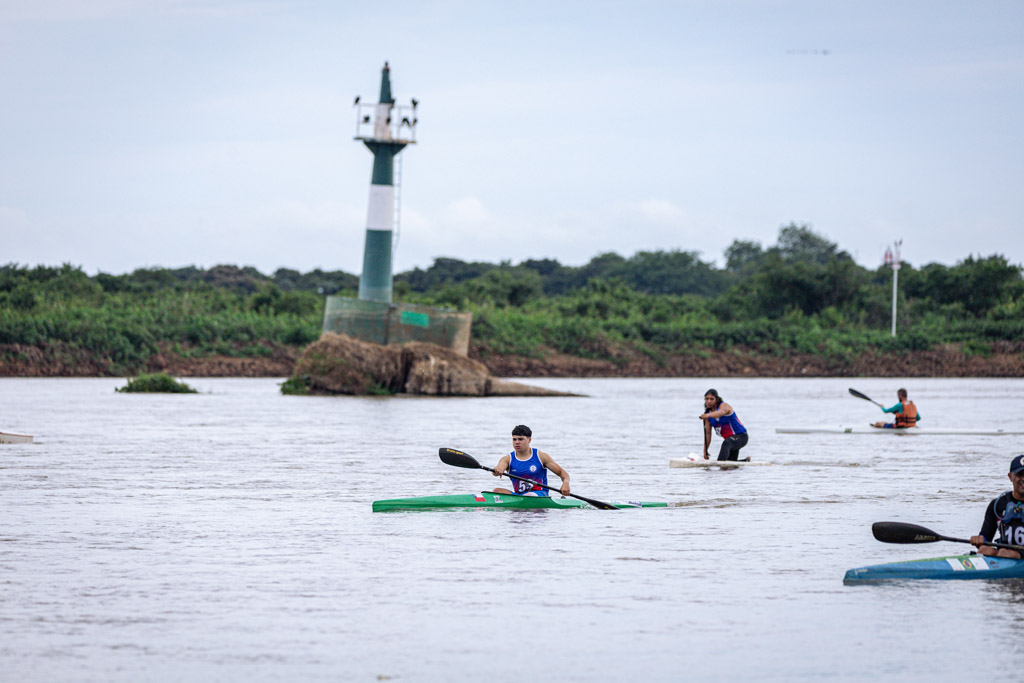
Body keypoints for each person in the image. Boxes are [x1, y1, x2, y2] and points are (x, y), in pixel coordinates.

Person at [492, 425, 571, 497]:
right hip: (520, 495)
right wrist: (497, 470)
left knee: (528, 495)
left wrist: (566, 483)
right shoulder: (507, 459)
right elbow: (499, 468)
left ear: (529, 440)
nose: (517, 442)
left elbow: (563, 473)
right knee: (496, 491)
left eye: (520, 439)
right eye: (514, 439)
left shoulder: (541, 456)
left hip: (540, 494)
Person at [970, 455, 1024, 559]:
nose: (1023, 479)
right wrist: (979, 540)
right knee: (984, 550)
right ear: (1010, 477)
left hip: (1012, 555)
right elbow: (985, 537)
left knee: (1005, 553)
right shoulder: (998, 504)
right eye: (1019, 474)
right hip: (1004, 552)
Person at [699, 389, 749, 461]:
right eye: (707, 399)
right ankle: (745, 461)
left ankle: (720, 463)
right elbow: (708, 434)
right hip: (731, 440)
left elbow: (720, 413)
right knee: (731, 464)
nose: (709, 401)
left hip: (741, 436)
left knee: (726, 443)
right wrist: (705, 451)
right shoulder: (708, 414)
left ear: (717, 399)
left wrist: (707, 415)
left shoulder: (724, 406)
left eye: (711, 399)